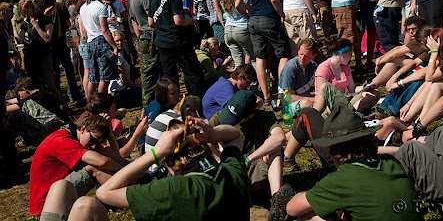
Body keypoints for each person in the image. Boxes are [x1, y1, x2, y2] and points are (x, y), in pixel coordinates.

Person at [70, 118, 250, 221]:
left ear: (169, 164)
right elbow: (235, 135)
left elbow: (104, 193)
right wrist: (212, 134)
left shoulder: (173, 191)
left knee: (83, 205)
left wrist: (156, 153)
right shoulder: (232, 174)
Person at [286, 104, 422, 221]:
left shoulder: (341, 180)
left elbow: (292, 209)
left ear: (334, 149)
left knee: (306, 217)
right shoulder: (394, 164)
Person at [211, 90, 291, 221]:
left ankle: (277, 201)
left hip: (254, 168)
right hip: (230, 171)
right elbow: (207, 138)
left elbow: (279, 137)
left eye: (236, 119)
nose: (231, 121)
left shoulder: (264, 117)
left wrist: (249, 158)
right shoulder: (219, 117)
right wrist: (218, 157)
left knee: (275, 150)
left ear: (250, 115)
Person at [28, 112, 124, 219]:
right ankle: (124, 197)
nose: (93, 145)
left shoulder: (74, 135)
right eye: (93, 139)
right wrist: (125, 171)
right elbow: (103, 162)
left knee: (101, 158)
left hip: (61, 191)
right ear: (82, 128)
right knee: (94, 167)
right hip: (48, 204)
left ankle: (123, 194)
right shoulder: (63, 140)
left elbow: (116, 157)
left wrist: (110, 134)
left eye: (98, 142)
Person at [236, 0, 290, 101]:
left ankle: (266, 95)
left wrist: (247, 13)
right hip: (268, 18)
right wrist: (281, 13)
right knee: (283, 54)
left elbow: (237, 3)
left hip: (253, 19)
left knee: (260, 57)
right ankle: (282, 90)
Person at [148, 0, 204, 97]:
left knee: (169, 75)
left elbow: (151, 22)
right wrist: (191, 20)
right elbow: (178, 20)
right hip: (178, 40)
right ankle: (196, 98)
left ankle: (172, 100)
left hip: (162, 42)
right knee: (192, 72)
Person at [79, 0, 119, 97]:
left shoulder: (83, 6)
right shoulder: (100, 7)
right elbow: (104, 30)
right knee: (105, 77)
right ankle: (102, 103)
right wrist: (114, 46)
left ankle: (90, 101)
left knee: (93, 76)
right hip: (100, 41)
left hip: (89, 42)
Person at [128, 0, 159, 105]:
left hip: (142, 36)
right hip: (150, 35)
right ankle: (148, 103)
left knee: (147, 71)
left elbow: (133, 20)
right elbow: (152, 19)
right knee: (151, 72)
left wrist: (139, 34)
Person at [219, 0, 254, 67]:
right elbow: (248, 9)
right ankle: (256, 80)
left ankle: (239, 80)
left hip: (228, 29)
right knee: (253, 57)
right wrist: (247, 14)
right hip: (241, 27)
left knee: (238, 62)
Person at [313, 39, 355, 114]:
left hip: (345, 101)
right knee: (325, 86)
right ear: (342, 53)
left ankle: (350, 112)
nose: (351, 56)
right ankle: (351, 113)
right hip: (328, 106)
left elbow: (352, 90)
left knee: (372, 94)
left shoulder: (345, 67)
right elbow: (321, 95)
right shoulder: (323, 68)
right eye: (350, 53)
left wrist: (364, 89)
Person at [277, 38, 320, 110]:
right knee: (308, 103)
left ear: (313, 56)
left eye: (306, 56)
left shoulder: (313, 66)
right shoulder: (291, 67)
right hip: (287, 103)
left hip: (302, 96)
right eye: (301, 54)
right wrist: (312, 99)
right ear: (298, 51)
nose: (302, 58)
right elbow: (287, 97)